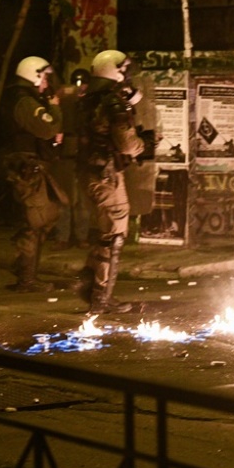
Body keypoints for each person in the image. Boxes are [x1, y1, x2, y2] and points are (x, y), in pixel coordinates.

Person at [74, 50, 156, 315]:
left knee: (105, 232)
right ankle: (101, 298)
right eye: (123, 69)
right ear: (112, 70)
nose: (126, 74)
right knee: (114, 236)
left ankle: (89, 283)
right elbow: (127, 144)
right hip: (107, 175)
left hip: (91, 172)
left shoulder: (88, 98)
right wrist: (145, 144)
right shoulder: (112, 101)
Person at [0, 56, 68, 293]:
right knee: (34, 222)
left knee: (48, 213)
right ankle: (26, 278)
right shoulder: (25, 101)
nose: (47, 81)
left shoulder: (24, 99)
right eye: (44, 76)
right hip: (26, 170)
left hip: (28, 167)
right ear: (34, 75)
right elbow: (48, 127)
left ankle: (23, 265)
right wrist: (55, 108)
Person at [48, 69, 91, 249]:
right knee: (64, 198)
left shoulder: (89, 102)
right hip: (66, 155)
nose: (79, 88)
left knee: (82, 199)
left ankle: (80, 237)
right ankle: (63, 237)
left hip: (83, 156)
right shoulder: (64, 100)